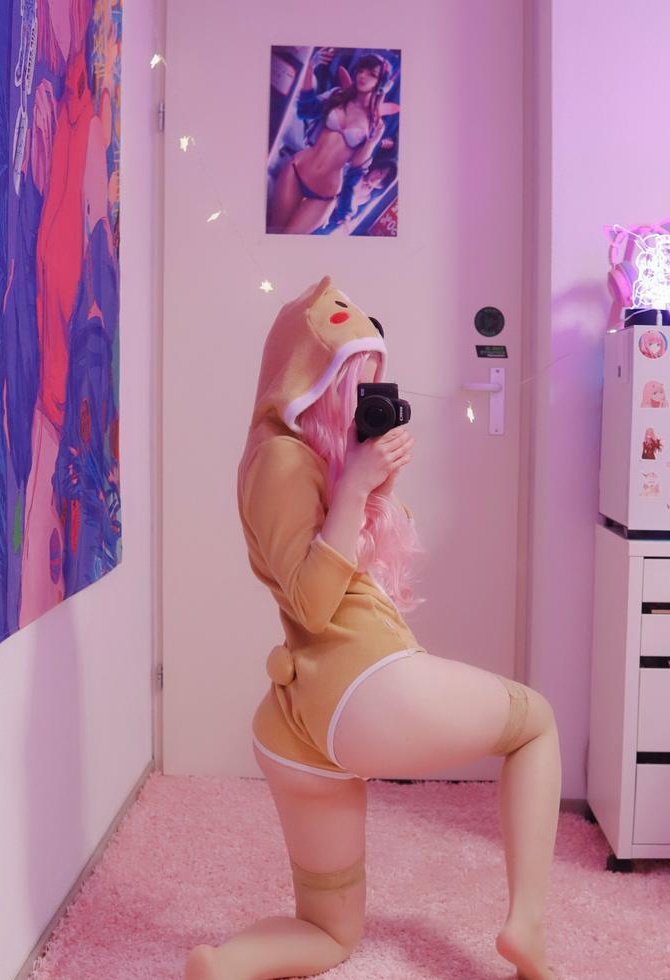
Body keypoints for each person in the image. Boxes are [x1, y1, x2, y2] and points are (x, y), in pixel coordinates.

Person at [184, 276, 561, 980]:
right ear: (310, 379)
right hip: (360, 687)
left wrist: (368, 488)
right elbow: (313, 603)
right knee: (534, 724)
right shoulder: (283, 458)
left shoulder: (293, 456)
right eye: (351, 381)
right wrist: (355, 487)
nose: (360, 398)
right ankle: (528, 927)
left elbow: (337, 565)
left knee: (330, 932)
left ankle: (225, 964)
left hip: (298, 723)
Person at [268, 51, 398, 235]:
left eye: (372, 74)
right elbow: (306, 110)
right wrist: (309, 68)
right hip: (297, 169)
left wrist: (346, 210)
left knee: (290, 240)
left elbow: (356, 170)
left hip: (324, 193)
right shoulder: (338, 95)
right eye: (361, 70)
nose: (363, 76)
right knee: (274, 233)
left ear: (382, 84)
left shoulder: (375, 125)